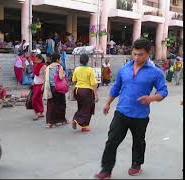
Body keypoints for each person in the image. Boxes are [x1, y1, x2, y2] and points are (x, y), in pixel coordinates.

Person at [94, 38, 168, 179]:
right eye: (134, 54)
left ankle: (136, 164)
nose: (136, 57)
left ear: (148, 53)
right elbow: (116, 87)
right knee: (111, 141)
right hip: (121, 112)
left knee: (138, 142)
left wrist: (150, 98)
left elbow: (163, 91)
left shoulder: (155, 72)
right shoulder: (124, 69)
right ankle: (106, 170)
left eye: (140, 54)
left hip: (140, 116)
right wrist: (108, 103)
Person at [71, 53, 98, 132]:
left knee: (81, 106)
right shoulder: (90, 70)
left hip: (78, 90)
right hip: (87, 91)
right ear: (87, 61)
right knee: (87, 108)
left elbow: (74, 80)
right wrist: (96, 95)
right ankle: (77, 120)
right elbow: (93, 84)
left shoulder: (77, 69)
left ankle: (84, 125)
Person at [43, 53, 68, 128]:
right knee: (61, 104)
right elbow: (60, 77)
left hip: (50, 88)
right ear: (57, 59)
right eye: (60, 59)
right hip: (58, 88)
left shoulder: (48, 67)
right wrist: (64, 74)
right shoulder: (59, 66)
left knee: (51, 105)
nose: (60, 60)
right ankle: (61, 120)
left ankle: (50, 122)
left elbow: (45, 78)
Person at [32, 54, 47, 120]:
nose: (36, 60)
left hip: (40, 84)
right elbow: (35, 75)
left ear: (41, 60)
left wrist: (43, 85)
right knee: (38, 98)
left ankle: (37, 112)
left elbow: (45, 77)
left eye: (37, 59)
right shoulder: (35, 65)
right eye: (36, 59)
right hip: (35, 83)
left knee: (34, 99)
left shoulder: (44, 66)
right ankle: (41, 112)